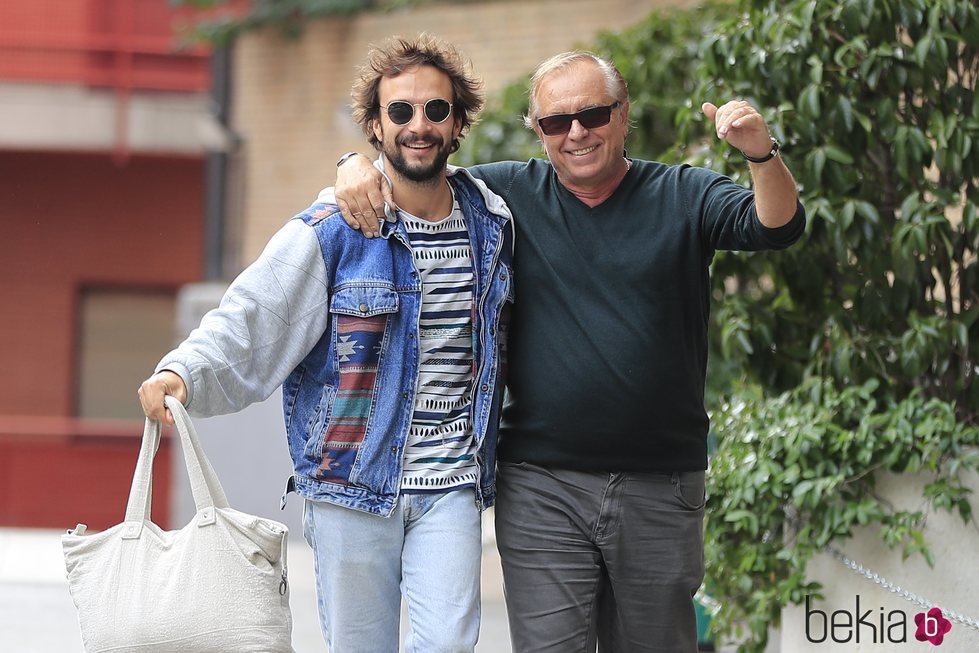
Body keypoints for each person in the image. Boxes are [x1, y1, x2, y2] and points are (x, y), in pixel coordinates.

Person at [331, 50, 806, 653]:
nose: (576, 133)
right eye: (556, 122)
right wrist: (352, 164)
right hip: (541, 488)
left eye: (592, 115)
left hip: (660, 485)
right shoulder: (502, 197)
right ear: (538, 130)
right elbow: (413, 172)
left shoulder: (683, 194)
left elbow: (777, 225)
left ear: (623, 114)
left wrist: (760, 154)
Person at [138, 34, 514, 653]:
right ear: (374, 125)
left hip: (452, 481)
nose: (418, 125)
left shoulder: (492, 223)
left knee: (448, 644)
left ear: (459, 123)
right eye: (400, 111)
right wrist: (186, 371)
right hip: (351, 482)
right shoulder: (335, 230)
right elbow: (255, 311)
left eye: (435, 110)